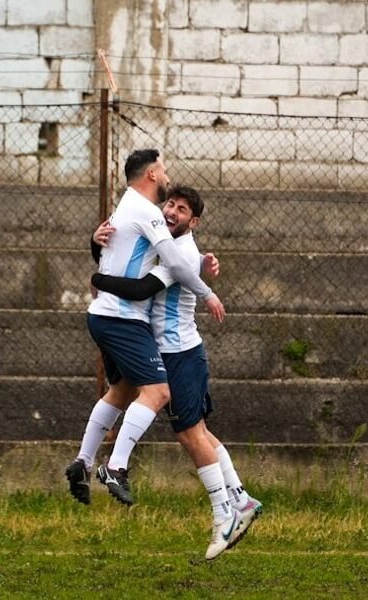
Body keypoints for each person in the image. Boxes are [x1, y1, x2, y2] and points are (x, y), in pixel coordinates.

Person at [88, 185, 262, 560]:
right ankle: (241, 500)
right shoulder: (169, 244)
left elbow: (141, 289)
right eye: (169, 204)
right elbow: (129, 256)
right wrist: (95, 241)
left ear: (193, 222)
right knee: (198, 432)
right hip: (172, 354)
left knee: (189, 435)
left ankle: (224, 516)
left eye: (181, 210)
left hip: (180, 354)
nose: (171, 211)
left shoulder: (178, 252)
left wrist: (97, 280)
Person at [65, 150, 226, 511]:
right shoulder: (148, 212)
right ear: (152, 174)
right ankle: (116, 467)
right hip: (123, 319)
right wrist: (208, 292)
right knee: (157, 391)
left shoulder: (125, 206)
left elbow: (117, 252)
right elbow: (165, 270)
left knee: (122, 391)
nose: (167, 177)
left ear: (194, 221)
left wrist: (201, 260)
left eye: (182, 209)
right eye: (163, 170)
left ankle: (83, 462)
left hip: (104, 315)